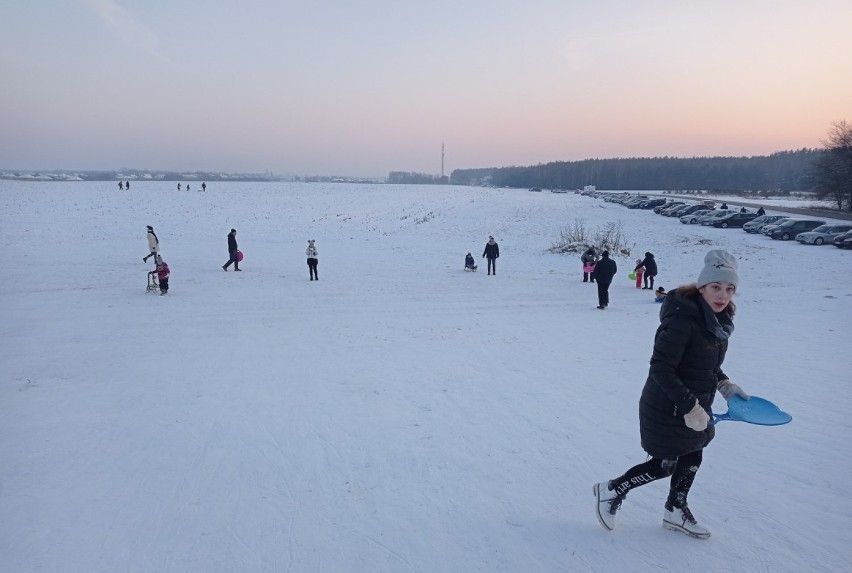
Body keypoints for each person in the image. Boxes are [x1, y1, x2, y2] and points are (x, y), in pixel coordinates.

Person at [593, 250, 748, 539]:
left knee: (692, 457)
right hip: (667, 405)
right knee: (664, 464)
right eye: (716, 287)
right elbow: (661, 369)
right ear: (702, 287)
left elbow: (708, 366)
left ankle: (675, 510)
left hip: (697, 406)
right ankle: (611, 490)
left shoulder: (719, 321)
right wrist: (690, 407)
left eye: (729, 289)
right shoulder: (682, 320)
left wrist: (724, 384)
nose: (723, 295)